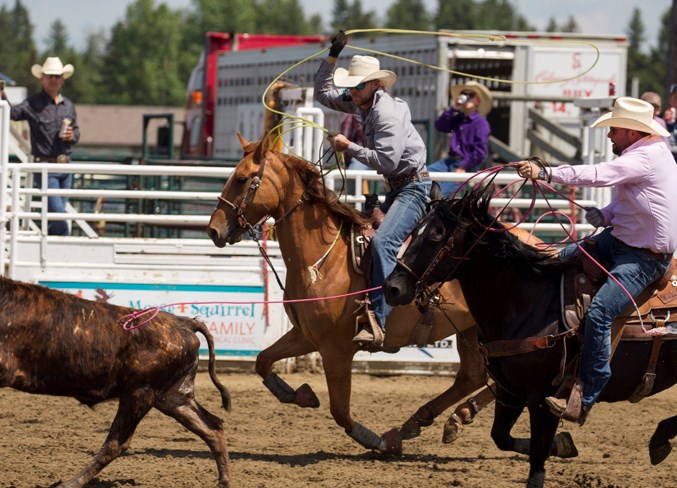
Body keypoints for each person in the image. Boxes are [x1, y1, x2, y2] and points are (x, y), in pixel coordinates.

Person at [516, 96, 677, 425]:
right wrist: (604, 214)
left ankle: (588, 393)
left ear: (632, 132)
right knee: (557, 260)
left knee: (602, 311)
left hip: (644, 257)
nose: (609, 136)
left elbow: (598, 174)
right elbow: (631, 201)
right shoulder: (643, 152)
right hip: (620, 241)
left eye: (614, 130)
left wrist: (546, 172)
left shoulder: (644, 157)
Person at [314, 31, 431, 348]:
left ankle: (378, 320)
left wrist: (347, 145)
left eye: (359, 84)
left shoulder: (386, 114)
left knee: (382, 243)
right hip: (398, 189)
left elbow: (388, 162)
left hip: (412, 189)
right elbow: (323, 95)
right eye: (351, 84)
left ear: (376, 84)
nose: (352, 90)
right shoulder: (363, 102)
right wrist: (332, 55)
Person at [1, 57, 79, 236]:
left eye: (56, 76)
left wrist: (72, 135)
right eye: (49, 76)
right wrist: (2, 94)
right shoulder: (32, 103)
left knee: (55, 213)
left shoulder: (69, 106)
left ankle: (51, 249)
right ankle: (65, 245)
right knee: (58, 214)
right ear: (42, 78)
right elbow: (11, 113)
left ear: (62, 79)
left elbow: (76, 133)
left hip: (66, 166)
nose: (53, 79)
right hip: (45, 167)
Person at [428, 81, 492, 195]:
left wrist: (463, 166)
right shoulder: (457, 119)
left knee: (441, 194)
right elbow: (440, 126)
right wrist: (453, 108)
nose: (466, 97)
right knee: (420, 176)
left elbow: (480, 153)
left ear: (477, 100)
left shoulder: (481, 123)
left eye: (470, 95)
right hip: (448, 162)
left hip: (466, 166)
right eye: (464, 94)